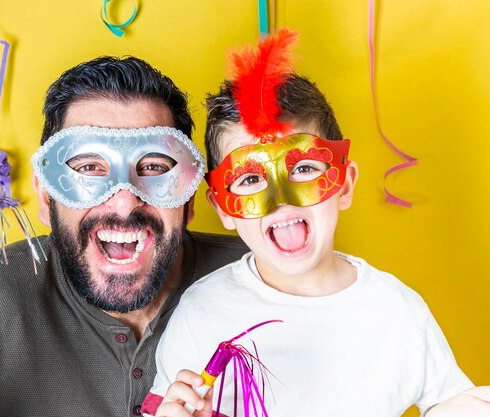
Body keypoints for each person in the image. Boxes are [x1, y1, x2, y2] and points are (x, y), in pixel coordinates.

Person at [0, 56, 248, 417]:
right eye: (88, 167)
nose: (124, 201)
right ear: (46, 198)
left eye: (152, 166)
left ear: (189, 199)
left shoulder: (264, 279)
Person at [142, 30, 490, 417]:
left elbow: (453, 404)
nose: (282, 199)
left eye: (304, 168)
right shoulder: (201, 314)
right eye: (250, 179)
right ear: (224, 208)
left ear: (344, 183)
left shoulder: (399, 312)